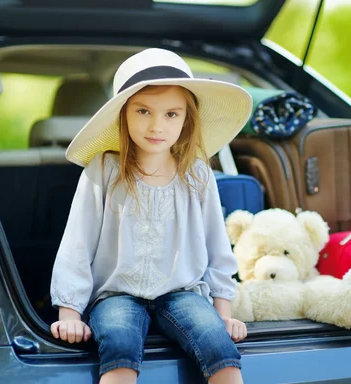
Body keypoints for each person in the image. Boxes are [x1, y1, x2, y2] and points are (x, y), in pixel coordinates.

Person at [48, 48, 253, 384]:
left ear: (187, 119)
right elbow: (77, 245)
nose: (157, 125)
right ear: (123, 115)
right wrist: (69, 313)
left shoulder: (197, 174)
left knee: (218, 342)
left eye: (172, 114)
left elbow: (218, 249)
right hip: (117, 293)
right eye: (143, 111)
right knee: (118, 340)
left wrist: (224, 314)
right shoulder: (103, 170)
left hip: (183, 291)